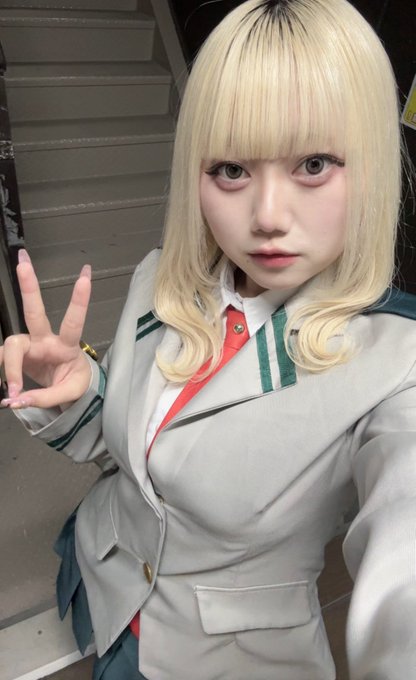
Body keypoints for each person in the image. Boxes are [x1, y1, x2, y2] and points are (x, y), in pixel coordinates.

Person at [1, 0, 415, 678]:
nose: (268, 216)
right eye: (231, 170)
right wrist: (78, 393)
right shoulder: (158, 281)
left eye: (314, 163)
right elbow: (133, 452)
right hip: (103, 583)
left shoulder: (397, 364)